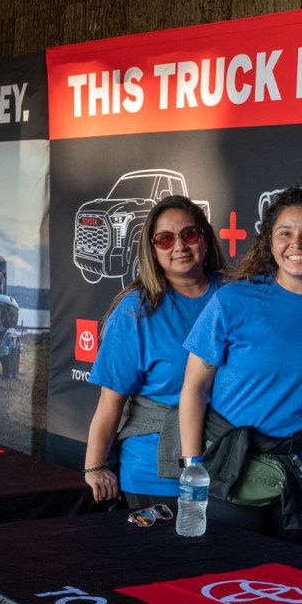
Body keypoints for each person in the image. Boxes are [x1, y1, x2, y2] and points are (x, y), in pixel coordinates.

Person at [178, 185, 302, 543]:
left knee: (294, 587)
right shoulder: (233, 300)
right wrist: (192, 466)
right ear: (270, 243)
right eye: (285, 233)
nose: (297, 244)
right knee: (229, 577)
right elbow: (194, 387)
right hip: (231, 469)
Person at [84, 195, 226, 509]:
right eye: (165, 239)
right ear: (152, 249)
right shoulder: (136, 311)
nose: (180, 246)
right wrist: (95, 467)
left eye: (189, 234)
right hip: (156, 470)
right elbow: (110, 402)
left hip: (229, 462)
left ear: (204, 237)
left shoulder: (234, 294)